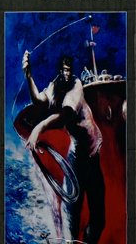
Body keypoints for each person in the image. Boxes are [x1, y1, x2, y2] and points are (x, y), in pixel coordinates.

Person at [22, 51, 106, 244]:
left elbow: (66, 116)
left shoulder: (76, 86)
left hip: (92, 156)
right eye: (64, 70)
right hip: (76, 156)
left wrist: (39, 127)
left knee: (99, 217)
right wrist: (29, 77)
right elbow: (40, 100)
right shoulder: (55, 85)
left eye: (69, 70)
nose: (67, 74)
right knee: (71, 216)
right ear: (60, 71)